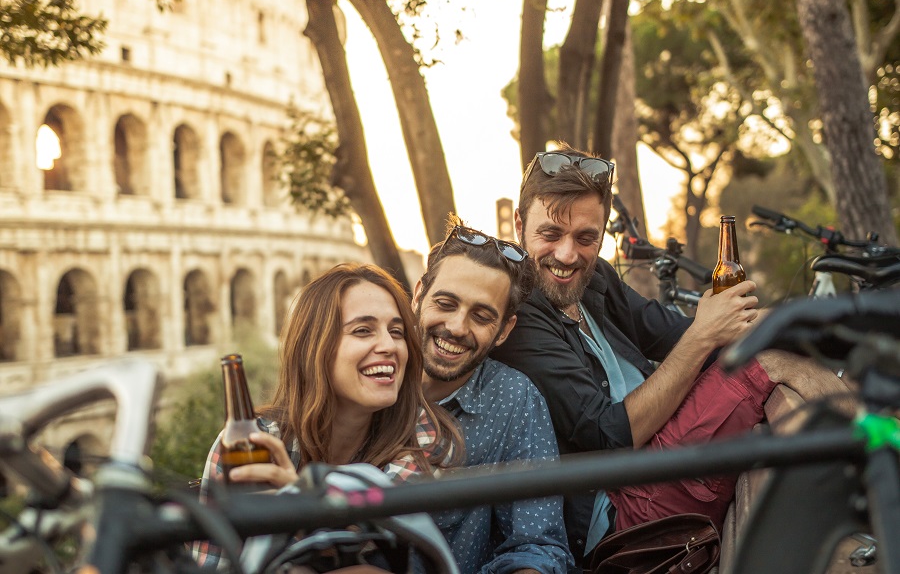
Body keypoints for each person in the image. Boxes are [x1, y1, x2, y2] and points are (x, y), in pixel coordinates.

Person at [490, 143, 852, 565]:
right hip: (619, 514)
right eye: (550, 234)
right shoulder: (520, 315)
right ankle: (880, 445)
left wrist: (797, 324)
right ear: (519, 225)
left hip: (662, 465)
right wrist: (705, 334)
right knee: (767, 366)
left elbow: (675, 332)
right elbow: (610, 437)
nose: (568, 255)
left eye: (586, 237)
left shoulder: (595, 279)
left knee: (778, 357)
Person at [193, 263, 462, 570]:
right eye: (363, 330)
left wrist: (298, 508)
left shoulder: (423, 435)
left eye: (397, 331)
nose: (389, 346)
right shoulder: (251, 442)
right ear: (315, 347)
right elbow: (211, 562)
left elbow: (362, 535)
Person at [412, 215, 574, 574]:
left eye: (482, 316)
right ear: (418, 295)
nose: (456, 327)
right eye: (445, 303)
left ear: (504, 330)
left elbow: (538, 544)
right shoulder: (368, 373)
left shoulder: (515, 399)